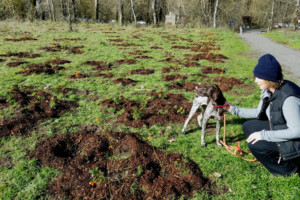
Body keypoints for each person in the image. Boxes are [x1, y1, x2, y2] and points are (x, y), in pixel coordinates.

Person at [225, 54, 300, 176]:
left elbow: (297, 131)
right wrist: (233, 109)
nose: (255, 80)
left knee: (257, 145)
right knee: (248, 126)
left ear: (268, 78)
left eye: (258, 77)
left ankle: (286, 170)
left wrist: (263, 135)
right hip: (283, 128)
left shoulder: (289, 99)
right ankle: (277, 155)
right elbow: (258, 112)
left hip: (296, 139)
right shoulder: (268, 91)